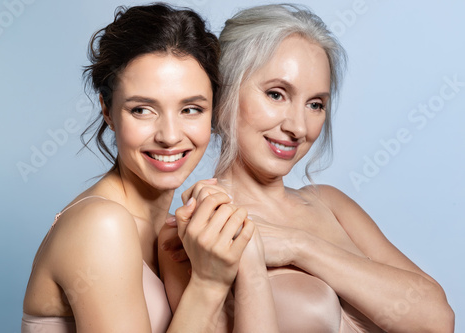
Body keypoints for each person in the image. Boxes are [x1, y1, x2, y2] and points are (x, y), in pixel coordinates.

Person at [160, 4, 455, 333]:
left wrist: (298, 246)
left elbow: (438, 320)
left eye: (316, 104)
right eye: (276, 94)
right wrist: (251, 261)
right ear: (223, 91)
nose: (299, 127)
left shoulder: (329, 203)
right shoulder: (195, 232)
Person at [22, 4, 256, 332]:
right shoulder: (101, 226)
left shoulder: (174, 232)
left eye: (191, 109)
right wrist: (209, 284)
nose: (170, 136)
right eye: (143, 109)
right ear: (107, 110)